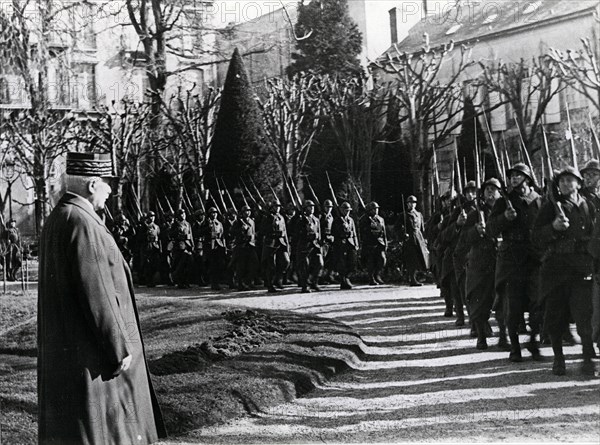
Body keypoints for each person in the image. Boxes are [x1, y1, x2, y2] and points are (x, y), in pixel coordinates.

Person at [37, 152, 166, 444]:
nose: (111, 191)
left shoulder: (59, 217)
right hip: (92, 357)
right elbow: (96, 292)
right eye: (108, 184)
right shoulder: (82, 222)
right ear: (92, 184)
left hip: (69, 351)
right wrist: (117, 348)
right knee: (104, 432)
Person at [534, 167, 596, 376]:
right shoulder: (550, 207)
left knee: (584, 315)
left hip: (581, 268)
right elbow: (536, 236)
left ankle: (588, 358)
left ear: (579, 184)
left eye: (570, 180)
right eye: (562, 181)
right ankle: (558, 360)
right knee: (555, 316)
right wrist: (553, 228)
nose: (566, 184)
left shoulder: (588, 205)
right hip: (556, 270)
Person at [488, 163, 543, 362]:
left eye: (518, 175)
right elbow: (491, 229)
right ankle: (515, 347)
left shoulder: (538, 200)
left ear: (527, 179)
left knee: (538, 302)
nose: (513, 178)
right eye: (512, 176)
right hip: (512, 258)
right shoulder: (504, 202)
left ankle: (533, 341)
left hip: (534, 258)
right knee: (513, 305)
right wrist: (504, 218)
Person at [455, 178, 506, 350]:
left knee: (504, 301)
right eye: (487, 189)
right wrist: (475, 231)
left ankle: (504, 336)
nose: (490, 192)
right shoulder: (475, 213)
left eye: (494, 189)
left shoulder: (507, 210)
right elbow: (463, 241)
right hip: (481, 262)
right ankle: (481, 335)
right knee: (480, 301)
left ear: (500, 192)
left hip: (502, 260)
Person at [580, 159, 600, 352]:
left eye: (593, 174)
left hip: (597, 253)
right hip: (584, 253)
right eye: (586, 175)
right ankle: (590, 343)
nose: (589, 178)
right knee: (586, 303)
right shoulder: (580, 198)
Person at [396, 195, 428, 286]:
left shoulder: (419, 214)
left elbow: (422, 228)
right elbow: (397, 228)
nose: (412, 205)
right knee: (411, 259)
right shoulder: (403, 215)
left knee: (419, 258)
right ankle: (412, 279)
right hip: (409, 238)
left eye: (414, 203)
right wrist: (403, 234)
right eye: (410, 203)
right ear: (407, 204)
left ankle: (418, 276)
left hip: (418, 237)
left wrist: (424, 239)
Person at [261, 199, 291, 293]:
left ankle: (278, 279)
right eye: (275, 206)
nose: (277, 208)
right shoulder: (267, 217)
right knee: (271, 265)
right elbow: (263, 230)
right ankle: (270, 285)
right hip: (271, 242)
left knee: (286, 261)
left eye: (278, 206)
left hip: (281, 242)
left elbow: (285, 231)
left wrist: (287, 243)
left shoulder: (281, 217)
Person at [296, 200, 323, 293]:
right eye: (309, 207)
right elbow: (297, 233)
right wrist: (307, 234)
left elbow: (319, 232)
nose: (312, 208)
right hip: (305, 245)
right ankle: (305, 285)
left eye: (313, 206)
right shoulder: (301, 219)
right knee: (305, 266)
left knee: (320, 263)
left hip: (315, 245)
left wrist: (319, 242)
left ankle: (314, 282)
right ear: (305, 208)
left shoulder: (316, 219)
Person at [230, 205, 258, 291]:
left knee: (254, 263)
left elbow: (253, 232)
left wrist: (253, 238)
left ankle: (249, 282)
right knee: (241, 266)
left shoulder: (252, 221)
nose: (248, 212)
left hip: (250, 245)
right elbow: (232, 232)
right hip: (241, 246)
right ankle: (240, 284)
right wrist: (241, 230)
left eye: (249, 211)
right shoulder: (237, 222)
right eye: (246, 211)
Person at [360, 201, 388, 285]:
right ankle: (371, 278)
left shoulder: (380, 219)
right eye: (373, 209)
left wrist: (385, 243)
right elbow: (362, 232)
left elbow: (384, 232)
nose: (375, 210)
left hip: (380, 242)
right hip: (369, 243)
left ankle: (377, 275)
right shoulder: (364, 219)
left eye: (376, 209)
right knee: (370, 262)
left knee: (382, 260)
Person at [332, 201, 359, 290]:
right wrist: (342, 229)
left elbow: (354, 232)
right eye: (345, 210)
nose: (347, 212)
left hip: (350, 243)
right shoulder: (337, 220)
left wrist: (356, 243)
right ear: (341, 210)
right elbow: (334, 233)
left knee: (352, 262)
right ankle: (344, 280)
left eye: (348, 210)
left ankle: (346, 277)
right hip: (340, 243)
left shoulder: (351, 220)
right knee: (342, 263)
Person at [200, 207, 227, 290]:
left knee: (219, 264)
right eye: (212, 213)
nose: (214, 214)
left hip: (218, 245)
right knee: (212, 265)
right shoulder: (206, 223)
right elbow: (200, 232)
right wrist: (208, 227)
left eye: (215, 212)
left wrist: (224, 246)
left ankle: (217, 282)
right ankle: (213, 283)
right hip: (210, 245)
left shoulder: (219, 223)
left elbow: (222, 236)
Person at [170, 208, 194, 289]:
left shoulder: (188, 224)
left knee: (188, 264)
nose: (183, 215)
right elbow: (171, 234)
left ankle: (186, 282)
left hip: (187, 245)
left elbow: (191, 235)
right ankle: (180, 282)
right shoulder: (175, 224)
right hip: (179, 246)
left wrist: (192, 245)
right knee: (180, 265)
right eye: (181, 214)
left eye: (184, 214)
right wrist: (179, 234)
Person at [139, 211, 161, 287]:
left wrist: (160, 248)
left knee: (155, 263)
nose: (152, 218)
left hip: (155, 246)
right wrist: (146, 233)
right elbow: (139, 238)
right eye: (150, 216)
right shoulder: (143, 227)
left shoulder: (157, 227)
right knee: (147, 264)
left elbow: (159, 237)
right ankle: (149, 281)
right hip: (147, 246)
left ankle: (153, 280)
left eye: (153, 216)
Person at [320, 199, 337, 284]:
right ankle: (320, 278)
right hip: (323, 240)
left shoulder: (331, 217)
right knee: (322, 260)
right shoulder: (321, 216)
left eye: (330, 207)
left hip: (330, 240)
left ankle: (329, 276)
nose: (329, 208)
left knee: (331, 259)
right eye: (327, 207)